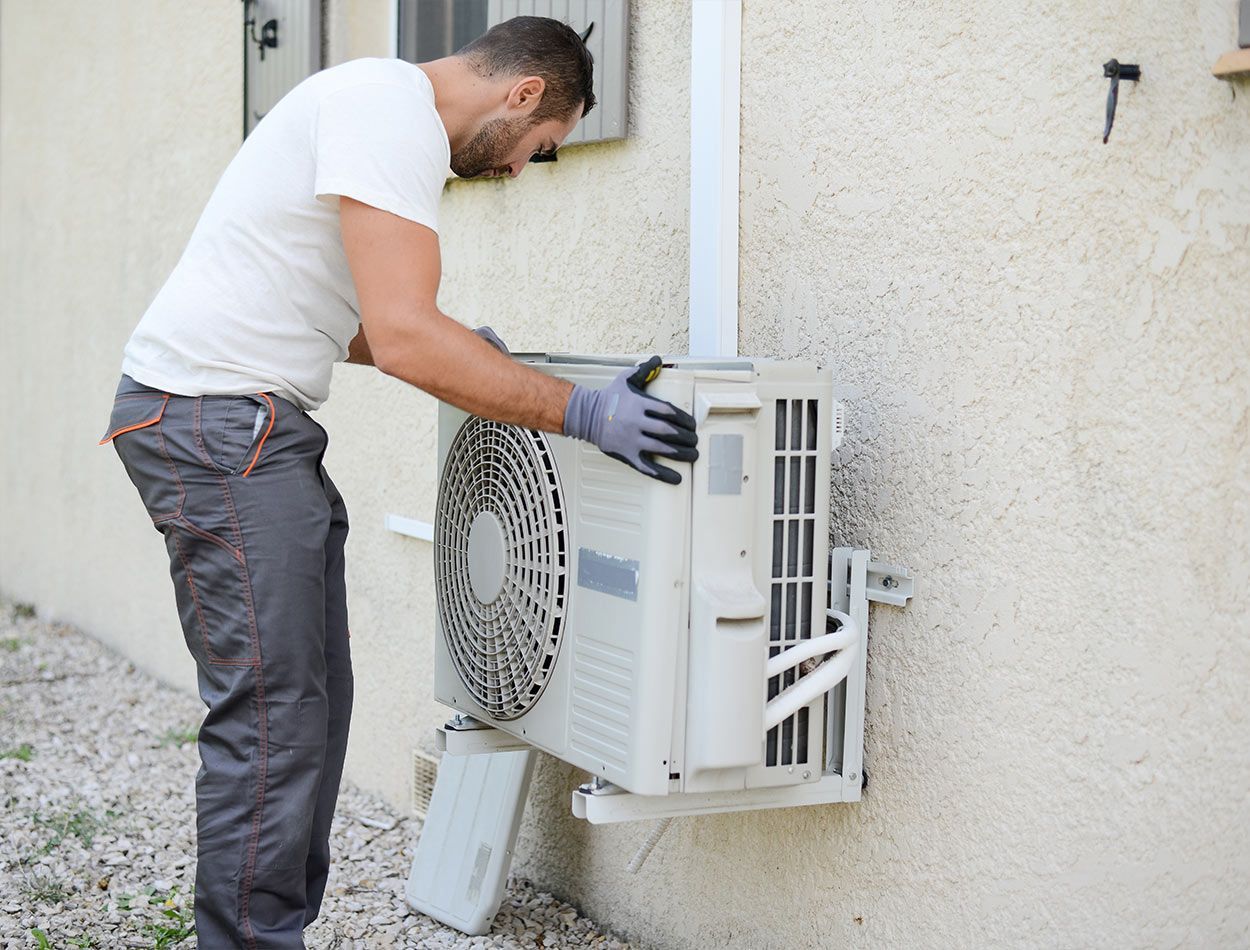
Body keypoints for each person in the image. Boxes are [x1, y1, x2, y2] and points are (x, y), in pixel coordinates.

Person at [98, 16, 698, 949]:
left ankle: (268, 930)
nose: (517, 172)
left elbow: (342, 321)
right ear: (524, 95)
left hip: (234, 424)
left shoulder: (367, 107)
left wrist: (469, 358)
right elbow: (411, 335)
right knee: (275, 715)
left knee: (312, 701)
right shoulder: (389, 112)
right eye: (540, 152)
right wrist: (583, 411)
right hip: (221, 429)